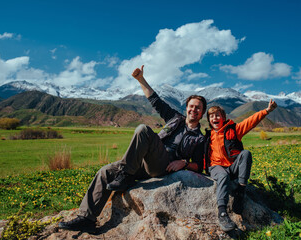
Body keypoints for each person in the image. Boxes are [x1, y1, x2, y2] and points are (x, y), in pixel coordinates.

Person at [58, 65, 207, 232]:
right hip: (143, 160)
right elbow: (155, 100)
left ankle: (126, 175)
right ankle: (87, 218)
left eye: (198, 108)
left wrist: (184, 163)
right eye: (191, 106)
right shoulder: (174, 118)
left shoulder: (199, 138)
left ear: (201, 114)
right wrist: (140, 79)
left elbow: (200, 166)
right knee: (105, 172)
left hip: (162, 165)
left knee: (143, 129)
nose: (193, 109)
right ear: (186, 108)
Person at [204, 100, 277, 232]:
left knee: (246, 153)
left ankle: (240, 191)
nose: (215, 118)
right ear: (209, 120)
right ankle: (222, 213)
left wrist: (267, 111)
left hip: (232, 167)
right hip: (216, 167)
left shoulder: (234, 130)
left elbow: (251, 121)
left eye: (218, 115)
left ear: (224, 118)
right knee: (223, 175)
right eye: (211, 116)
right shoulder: (208, 136)